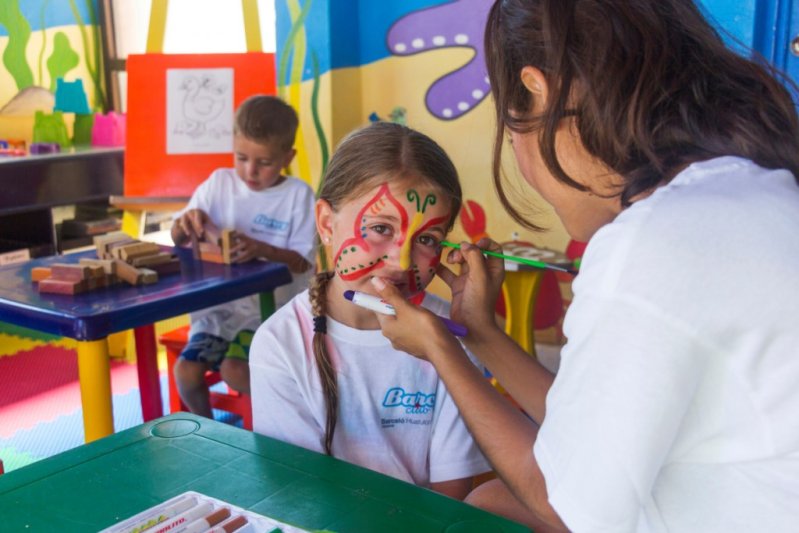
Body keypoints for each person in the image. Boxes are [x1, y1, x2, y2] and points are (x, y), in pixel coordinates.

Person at [368, 1, 799, 531]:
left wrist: (439, 346)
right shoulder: (743, 189)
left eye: (509, 129)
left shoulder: (656, 243)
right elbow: (590, 430)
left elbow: (560, 500)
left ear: (539, 90)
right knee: (491, 502)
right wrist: (478, 334)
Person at [249, 122, 491, 500]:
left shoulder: (454, 337)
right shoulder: (279, 345)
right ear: (327, 224)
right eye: (380, 227)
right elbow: (298, 498)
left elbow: (450, 496)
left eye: (427, 239)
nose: (401, 259)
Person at [171, 95, 316, 418]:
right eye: (241, 157)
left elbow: (304, 261)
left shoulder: (298, 195)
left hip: (273, 314)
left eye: (263, 162)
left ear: (287, 156)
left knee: (236, 371)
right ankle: (208, 436)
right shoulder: (219, 183)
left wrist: (262, 249)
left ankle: (289, 421)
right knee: (186, 374)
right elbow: (177, 237)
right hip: (218, 312)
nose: (250, 171)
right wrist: (184, 225)